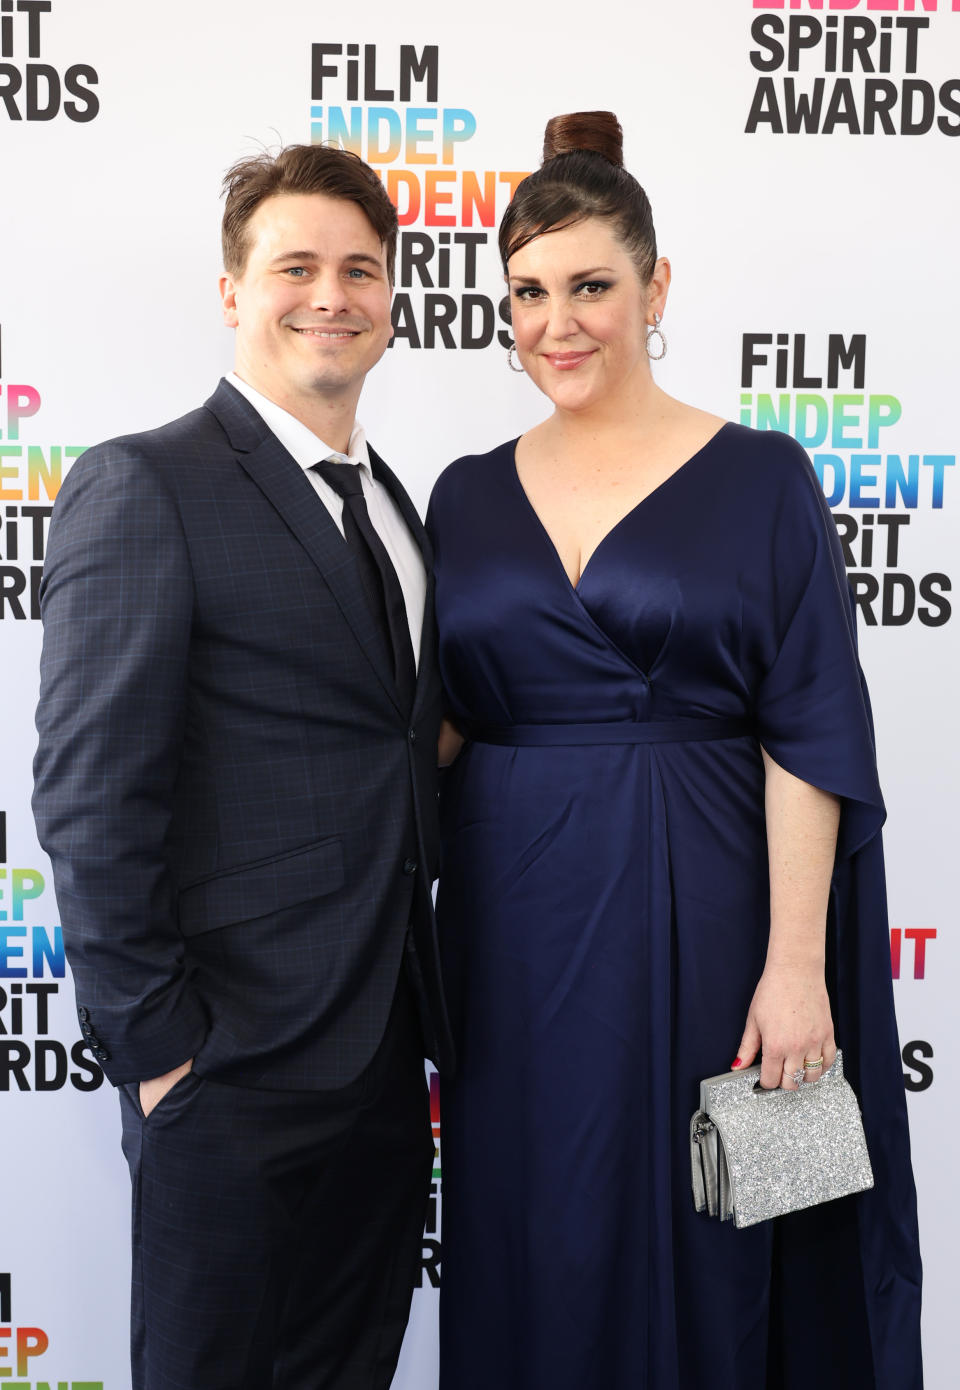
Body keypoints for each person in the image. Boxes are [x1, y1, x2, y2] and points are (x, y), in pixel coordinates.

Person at [427, 112, 922, 1389]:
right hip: (512, 934)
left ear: (657, 287)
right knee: (532, 1223)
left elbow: (810, 724)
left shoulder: (764, 475)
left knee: (724, 1226)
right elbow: (433, 725)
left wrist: (797, 966)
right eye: (528, 293)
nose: (558, 323)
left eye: (591, 286)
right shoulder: (464, 493)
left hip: (712, 910)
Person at [32, 142, 452, 1390]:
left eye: (361, 270)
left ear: (392, 299)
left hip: (385, 1062)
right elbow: (91, 796)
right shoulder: (144, 483)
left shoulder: (393, 501)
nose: (332, 294)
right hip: (226, 1069)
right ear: (233, 289)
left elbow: (393, 749)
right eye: (297, 265)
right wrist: (164, 1053)